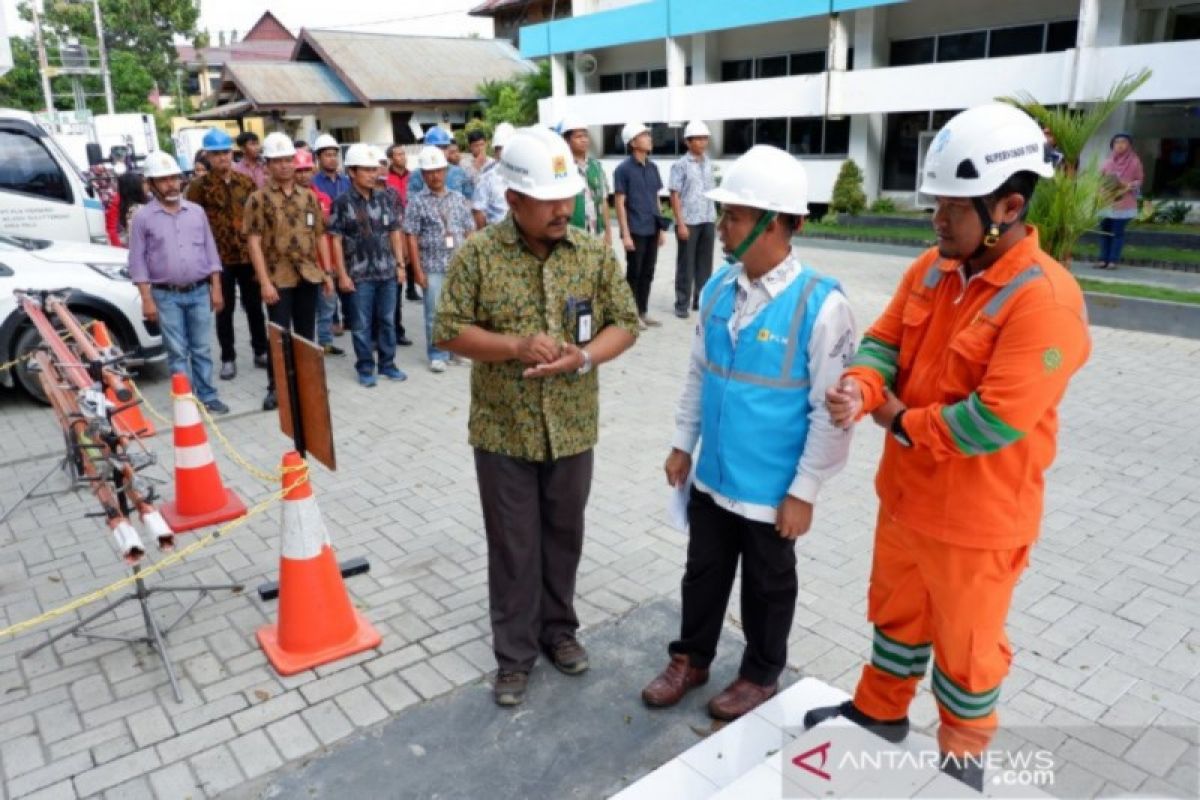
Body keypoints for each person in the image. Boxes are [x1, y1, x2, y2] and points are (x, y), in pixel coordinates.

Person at [801, 104, 1091, 791]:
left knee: (966, 649)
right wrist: (862, 390)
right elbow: (882, 342)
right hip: (906, 502)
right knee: (896, 615)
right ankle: (880, 714)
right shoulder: (933, 269)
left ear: (1009, 206)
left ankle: (962, 758)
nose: (935, 222)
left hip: (976, 521)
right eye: (935, 206)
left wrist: (898, 420)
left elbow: (992, 422)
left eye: (951, 210)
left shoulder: (1045, 300)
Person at [642, 145, 856, 721]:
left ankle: (761, 673)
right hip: (714, 475)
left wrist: (805, 490)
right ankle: (692, 657)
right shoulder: (718, 290)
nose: (726, 224)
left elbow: (829, 411)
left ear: (778, 223)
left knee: (767, 585)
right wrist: (683, 442)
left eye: (735, 214)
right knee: (703, 572)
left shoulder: (822, 305)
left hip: (773, 489)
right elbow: (698, 374)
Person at [433, 126, 639, 707]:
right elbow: (448, 329)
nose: (562, 208)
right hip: (504, 430)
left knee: (563, 537)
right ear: (513, 199)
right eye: (547, 199)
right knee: (514, 544)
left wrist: (585, 355)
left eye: (567, 196)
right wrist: (515, 346)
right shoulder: (479, 253)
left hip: (573, 424)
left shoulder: (592, 252)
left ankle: (559, 632)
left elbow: (624, 322)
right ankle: (514, 655)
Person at [244, 133, 348, 411]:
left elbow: (318, 236)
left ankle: (308, 385)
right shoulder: (258, 199)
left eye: (288, 160)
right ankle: (276, 388)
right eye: (277, 161)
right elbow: (253, 242)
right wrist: (264, 282)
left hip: (308, 275)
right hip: (277, 277)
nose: (284, 166)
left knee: (306, 335)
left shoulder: (308, 197)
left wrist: (327, 273)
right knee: (279, 336)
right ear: (267, 165)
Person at [128, 152, 228, 415]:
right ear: (150, 184)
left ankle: (207, 395)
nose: (170, 184)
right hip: (165, 295)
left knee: (202, 348)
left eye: (173, 178)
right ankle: (184, 401)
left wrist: (216, 287)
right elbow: (137, 261)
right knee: (176, 351)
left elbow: (211, 251)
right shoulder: (143, 218)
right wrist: (146, 299)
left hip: (198, 291)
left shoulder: (196, 212)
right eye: (163, 180)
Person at [186, 127, 267, 382]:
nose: (222, 158)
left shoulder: (247, 182)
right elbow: (194, 224)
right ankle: (228, 358)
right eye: (216, 154)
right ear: (207, 157)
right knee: (224, 309)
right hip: (218, 259)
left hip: (247, 255)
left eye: (225, 153)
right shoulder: (198, 187)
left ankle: (261, 350)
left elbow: (258, 219)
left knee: (255, 306)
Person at [329, 144, 407, 387]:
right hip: (358, 275)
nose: (374, 174)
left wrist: (401, 265)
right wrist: (341, 275)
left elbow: (394, 231)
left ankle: (388, 364)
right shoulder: (341, 202)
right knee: (361, 324)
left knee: (387, 320)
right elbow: (335, 240)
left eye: (375, 169)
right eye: (367, 170)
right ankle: (365, 367)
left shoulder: (386, 198)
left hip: (387, 272)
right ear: (352, 172)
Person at [404, 146, 476, 374]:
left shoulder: (458, 198)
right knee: (433, 313)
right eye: (429, 172)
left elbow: (469, 231)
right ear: (423, 175)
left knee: (459, 312)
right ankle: (437, 354)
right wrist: (417, 270)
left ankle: (457, 351)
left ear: (445, 171)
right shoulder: (417, 202)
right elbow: (411, 237)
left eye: (439, 171)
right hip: (432, 266)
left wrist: (473, 263)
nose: (435, 176)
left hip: (458, 266)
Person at [614, 121, 667, 329]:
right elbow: (619, 202)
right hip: (635, 229)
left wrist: (661, 228)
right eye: (645, 135)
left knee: (648, 271)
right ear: (633, 142)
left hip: (652, 228)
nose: (650, 139)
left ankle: (643, 311)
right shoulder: (623, 170)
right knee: (634, 273)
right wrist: (625, 234)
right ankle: (630, 314)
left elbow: (655, 198)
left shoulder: (653, 167)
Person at [669, 121, 718, 319]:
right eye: (697, 139)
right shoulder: (680, 165)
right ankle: (682, 303)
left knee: (705, 264)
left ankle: (701, 300)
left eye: (704, 138)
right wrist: (680, 223)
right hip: (688, 221)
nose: (702, 142)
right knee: (686, 265)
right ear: (688, 142)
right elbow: (675, 195)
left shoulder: (708, 163)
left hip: (707, 218)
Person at [559, 119, 612, 247]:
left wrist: (608, 231)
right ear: (567, 140)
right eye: (578, 136)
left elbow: (603, 200)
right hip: (571, 233)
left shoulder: (596, 166)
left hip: (595, 232)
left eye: (585, 136)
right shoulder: (560, 167)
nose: (584, 140)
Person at [1097, 133, 1144, 270]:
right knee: (1104, 231)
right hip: (1106, 202)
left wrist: (1128, 185)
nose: (1120, 145)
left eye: (1123, 142)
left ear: (1129, 145)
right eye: (1116, 142)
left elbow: (1139, 180)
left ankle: (1113, 260)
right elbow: (1100, 178)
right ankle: (1102, 259)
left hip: (1124, 202)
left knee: (1117, 232)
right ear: (1112, 145)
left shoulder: (1135, 162)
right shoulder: (1107, 161)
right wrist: (1102, 189)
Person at [386, 144, 421, 304]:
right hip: (394, 222)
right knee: (400, 254)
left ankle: (412, 288)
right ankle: (398, 289)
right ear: (391, 159)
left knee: (413, 252)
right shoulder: (387, 178)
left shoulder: (413, 176)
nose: (402, 157)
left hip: (412, 217)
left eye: (403, 154)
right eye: (398, 154)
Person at [471, 123, 515, 228]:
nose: (502, 153)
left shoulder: (525, 173)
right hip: (497, 232)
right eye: (499, 149)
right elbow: (478, 210)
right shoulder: (487, 177)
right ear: (495, 151)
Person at [408, 127, 472, 199]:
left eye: (444, 147)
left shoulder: (459, 172)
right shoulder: (417, 174)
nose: (441, 151)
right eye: (437, 147)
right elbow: (412, 201)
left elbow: (469, 199)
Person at [106, 171, 147, 247]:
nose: (146, 185)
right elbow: (111, 229)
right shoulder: (117, 202)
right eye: (143, 182)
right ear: (135, 187)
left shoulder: (139, 204)